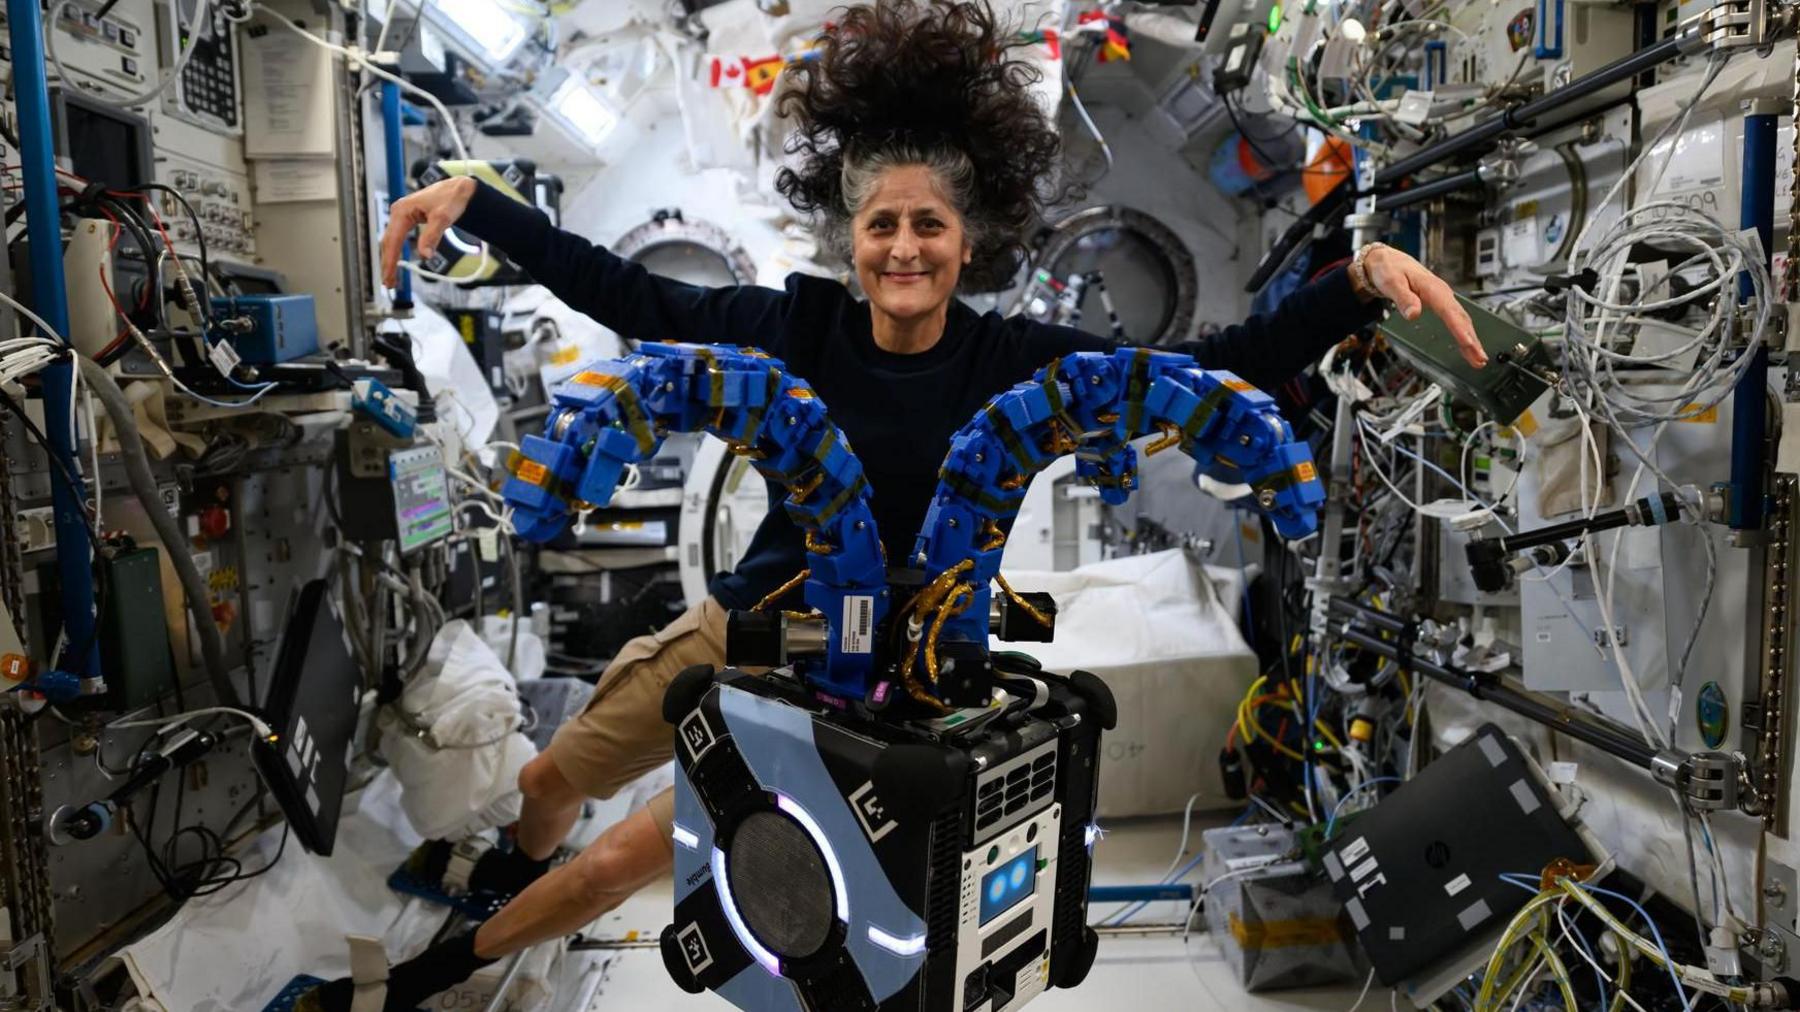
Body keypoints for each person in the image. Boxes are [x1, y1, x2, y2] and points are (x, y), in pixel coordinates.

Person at [304, 2, 1482, 1007]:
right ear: (851, 237)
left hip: (890, 665)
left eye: (930, 225)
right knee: (556, 776)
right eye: (883, 225)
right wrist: (485, 205)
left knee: (622, 858)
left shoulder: (1013, 359)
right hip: (752, 620)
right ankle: (504, 880)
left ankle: (427, 981)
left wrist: (1356, 283)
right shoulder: (792, 328)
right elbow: (626, 294)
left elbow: (1206, 363)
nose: (904, 248)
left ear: (969, 244)